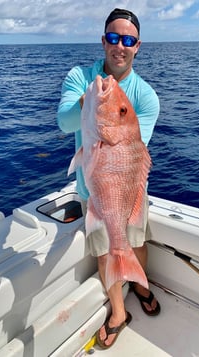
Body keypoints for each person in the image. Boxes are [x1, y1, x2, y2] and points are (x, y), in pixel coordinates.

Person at [57, 8, 160, 349]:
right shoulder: (80, 77)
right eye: (114, 38)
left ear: (137, 46)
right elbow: (65, 123)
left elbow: (130, 143)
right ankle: (119, 312)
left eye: (128, 40)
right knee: (106, 251)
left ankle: (141, 284)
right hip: (95, 189)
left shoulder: (145, 96)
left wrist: (107, 109)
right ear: (104, 41)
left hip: (129, 186)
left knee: (138, 241)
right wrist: (93, 100)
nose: (120, 46)